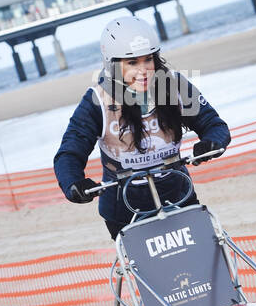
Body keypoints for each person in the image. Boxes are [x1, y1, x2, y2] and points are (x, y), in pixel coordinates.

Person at [54, 15, 230, 240]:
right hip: (124, 210)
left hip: (179, 196)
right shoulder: (97, 101)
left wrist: (211, 142)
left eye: (148, 59)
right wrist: (73, 183)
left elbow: (214, 124)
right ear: (113, 64)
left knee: (206, 258)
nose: (143, 69)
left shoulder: (175, 85)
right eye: (132, 63)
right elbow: (69, 152)